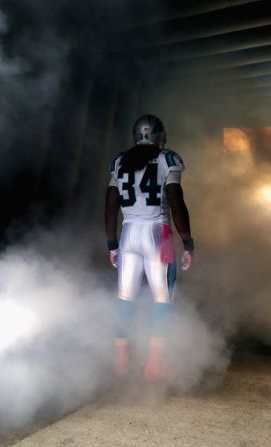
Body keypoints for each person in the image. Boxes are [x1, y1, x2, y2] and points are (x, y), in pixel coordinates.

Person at [104, 114, 194, 381]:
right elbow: (176, 201)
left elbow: (110, 207)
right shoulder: (168, 159)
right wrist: (188, 241)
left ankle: (120, 357)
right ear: (160, 135)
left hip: (128, 233)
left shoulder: (119, 162)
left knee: (124, 296)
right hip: (158, 232)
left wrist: (112, 244)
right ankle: (155, 364)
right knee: (162, 297)